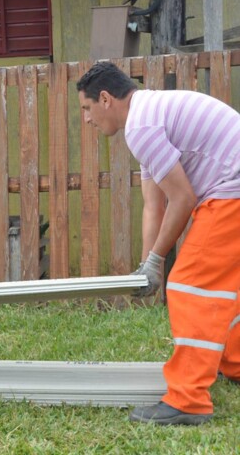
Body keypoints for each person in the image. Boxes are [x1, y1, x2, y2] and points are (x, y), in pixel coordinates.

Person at [77, 61, 240, 426]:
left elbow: (183, 198)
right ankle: (237, 365)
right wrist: (145, 267)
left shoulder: (142, 126)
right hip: (232, 190)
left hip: (232, 193)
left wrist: (159, 261)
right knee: (225, 291)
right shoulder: (149, 115)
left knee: (191, 286)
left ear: (105, 99)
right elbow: (156, 204)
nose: (87, 119)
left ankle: (187, 401)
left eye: (86, 108)